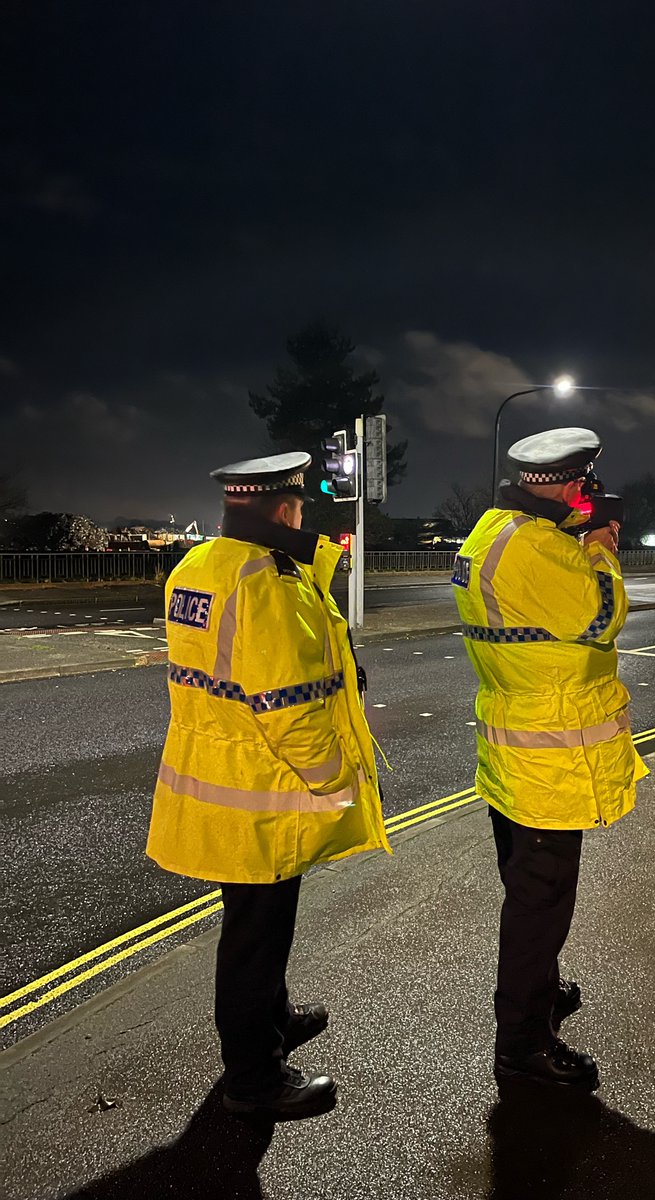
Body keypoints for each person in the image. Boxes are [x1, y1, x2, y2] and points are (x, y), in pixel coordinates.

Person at [146, 452, 390, 1118]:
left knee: (254, 924)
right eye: (299, 508)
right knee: (256, 935)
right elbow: (288, 706)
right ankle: (254, 1075)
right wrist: (335, 781)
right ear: (284, 509)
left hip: (216, 777)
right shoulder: (269, 582)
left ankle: (274, 1016)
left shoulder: (197, 565)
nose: (302, 516)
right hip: (262, 787)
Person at [451, 427, 648, 1091]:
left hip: (512, 745)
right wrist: (600, 549)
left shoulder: (490, 533)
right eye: (586, 483)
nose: (590, 495)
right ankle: (523, 1044)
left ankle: (542, 992)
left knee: (526, 887)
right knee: (541, 903)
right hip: (551, 754)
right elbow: (604, 614)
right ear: (572, 483)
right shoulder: (540, 550)